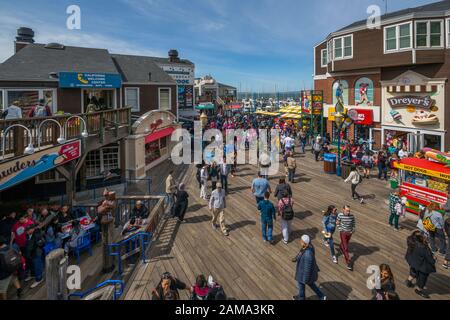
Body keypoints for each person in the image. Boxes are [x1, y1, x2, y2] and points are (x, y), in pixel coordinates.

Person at [292, 235, 326, 300]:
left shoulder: (308, 254)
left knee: (301, 284)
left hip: (304, 274)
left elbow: (307, 268)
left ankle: (301, 298)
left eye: (301, 241)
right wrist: (296, 258)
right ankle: (321, 296)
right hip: (304, 272)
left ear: (305, 243)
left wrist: (305, 279)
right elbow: (300, 252)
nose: (300, 242)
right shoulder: (307, 246)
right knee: (311, 284)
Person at [405, 230, 436, 299]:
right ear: (421, 238)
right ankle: (419, 290)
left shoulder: (411, 243)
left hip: (413, 262)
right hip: (423, 266)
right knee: (422, 279)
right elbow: (430, 260)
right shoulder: (424, 247)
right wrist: (434, 258)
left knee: (413, 272)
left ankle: (409, 281)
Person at [336, 205, 356, 270]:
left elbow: (353, 223)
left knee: (345, 244)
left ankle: (341, 247)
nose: (348, 212)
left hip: (349, 233)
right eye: (347, 210)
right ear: (343, 210)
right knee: (346, 247)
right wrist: (340, 230)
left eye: (349, 211)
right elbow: (337, 223)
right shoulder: (340, 215)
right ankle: (348, 262)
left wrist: (353, 230)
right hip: (343, 233)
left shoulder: (352, 216)